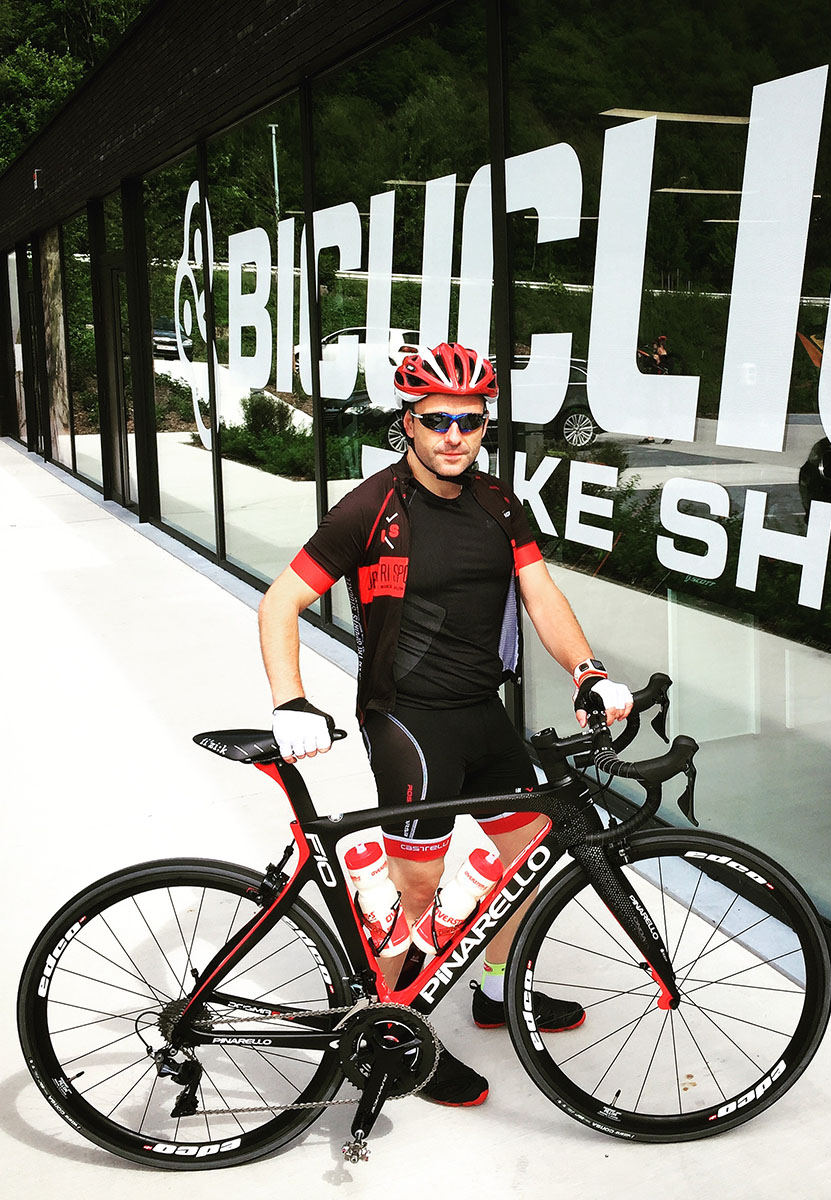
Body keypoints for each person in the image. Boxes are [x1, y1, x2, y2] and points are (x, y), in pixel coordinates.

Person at [258, 342, 634, 1104]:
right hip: (407, 719)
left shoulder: (499, 503)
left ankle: (497, 990)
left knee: (527, 857)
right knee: (419, 893)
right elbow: (279, 604)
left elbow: (542, 595)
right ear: (408, 424)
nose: (454, 436)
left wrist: (587, 669)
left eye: (470, 421)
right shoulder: (371, 507)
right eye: (437, 421)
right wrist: (290, 698)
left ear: (484, 425)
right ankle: (393, 1031)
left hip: (480, 713)